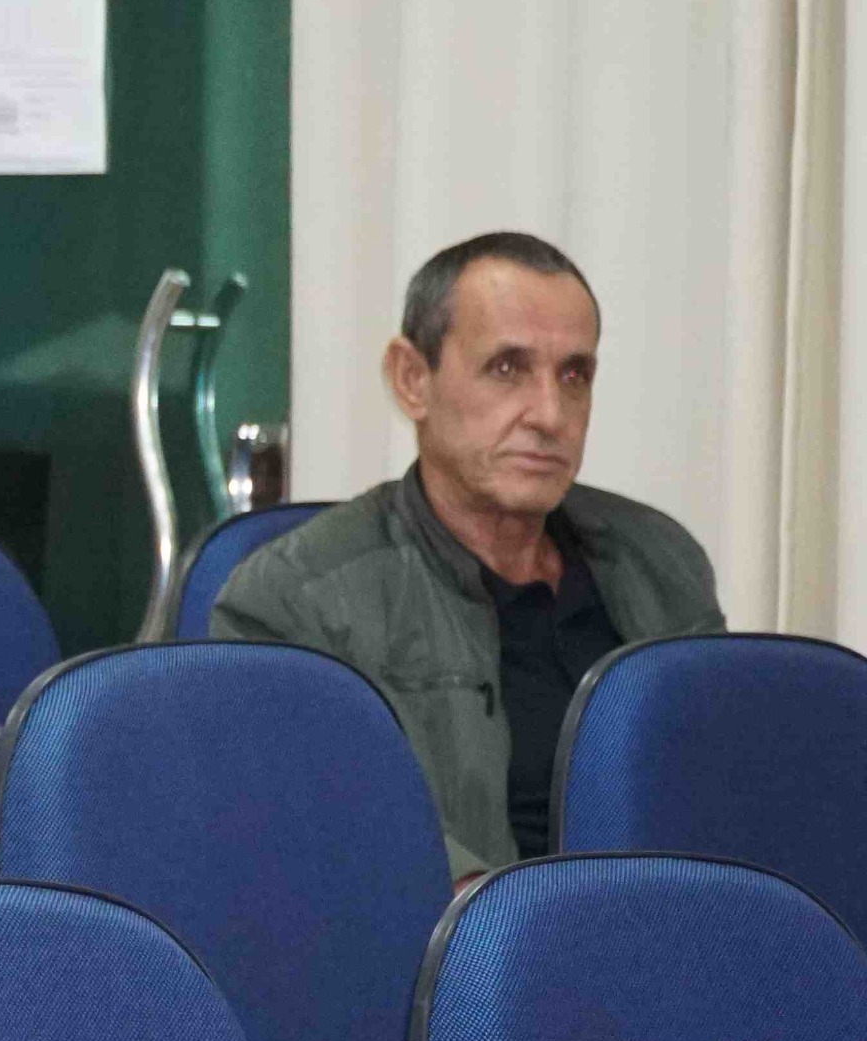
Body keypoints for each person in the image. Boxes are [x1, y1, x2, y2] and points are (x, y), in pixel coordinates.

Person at [214, 231, 722, 876]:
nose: (550, 414)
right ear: (412, 379)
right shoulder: (294, 599)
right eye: (507, 368)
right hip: (454, 935)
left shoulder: (662, 561)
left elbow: (720, 795)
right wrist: (511, 921)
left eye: (574, 375)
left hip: (663, 922)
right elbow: (321, 848)